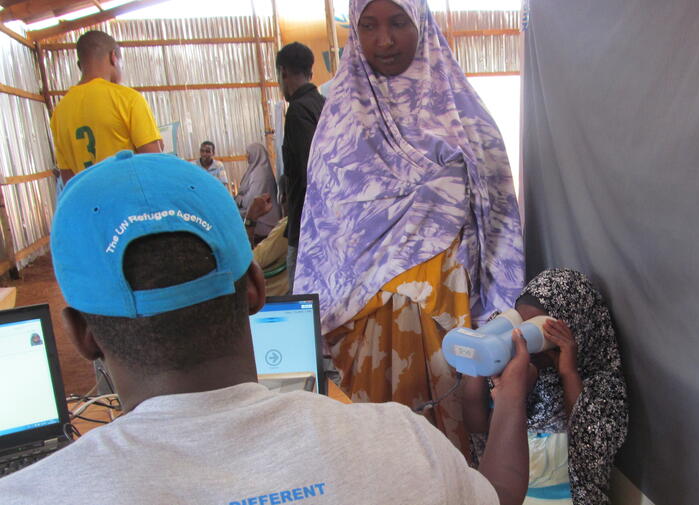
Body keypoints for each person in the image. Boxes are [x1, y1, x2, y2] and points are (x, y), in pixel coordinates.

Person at [0, 151, 531, 505]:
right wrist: (510, 398)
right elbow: (494, 498)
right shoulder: (406, 445)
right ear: (255, 288)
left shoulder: (31, 495)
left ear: (82, 336)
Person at [292, 0, 524, 455]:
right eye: (369, 25)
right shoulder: (338, 126)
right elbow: (324, 230)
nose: (384, 40)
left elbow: (499, 219)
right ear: (354, 31)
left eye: (398, 22)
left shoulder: (465, 118)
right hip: (362, 318)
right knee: (376, 449)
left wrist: (496, 314)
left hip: (446, 311)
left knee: (449, 445)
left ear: (421, 23)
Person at [463, 269, 629, 505]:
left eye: (540, 330)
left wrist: (569, 373)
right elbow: (478, 430)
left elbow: (588, 446)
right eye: (522, 325)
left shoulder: (602, 386)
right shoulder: (516, 374)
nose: (526, 342)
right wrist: (479, 360)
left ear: (577, 326)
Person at [50, 30, 162, 184]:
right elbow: (155, 163)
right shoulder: (128, 99)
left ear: (80, 66)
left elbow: (68, 179)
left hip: (90, 198)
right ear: (113, 57)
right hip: (129, 196)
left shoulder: (60, 112)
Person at [276, 42, 325, 291]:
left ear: (283, 71)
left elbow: (310, 174)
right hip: (329, 227)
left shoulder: (297, 111)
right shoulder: (324, 105)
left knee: (303, 299)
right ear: (310, 71)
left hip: (307, 230)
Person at [235, 143, 282, 244]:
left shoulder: (259, 174)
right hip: (258, 213)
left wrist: (239, 199)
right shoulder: (255, 170)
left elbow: (251, 201)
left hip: (263, 220)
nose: (247, 156)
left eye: (248, 153)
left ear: (256, 154)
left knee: (233, 217)